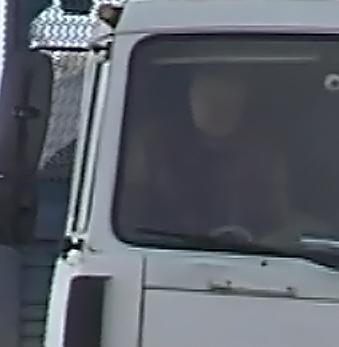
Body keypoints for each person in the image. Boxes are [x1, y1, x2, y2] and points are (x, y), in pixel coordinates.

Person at [117, 68, 296, 244]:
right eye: (210, 100)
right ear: (190, 99)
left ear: (243, 102)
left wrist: (274, 242)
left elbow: (282, 219)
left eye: (230, 101)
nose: (219, 110)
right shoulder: (152, 144)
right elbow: (126, 217)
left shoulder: (263, 150)